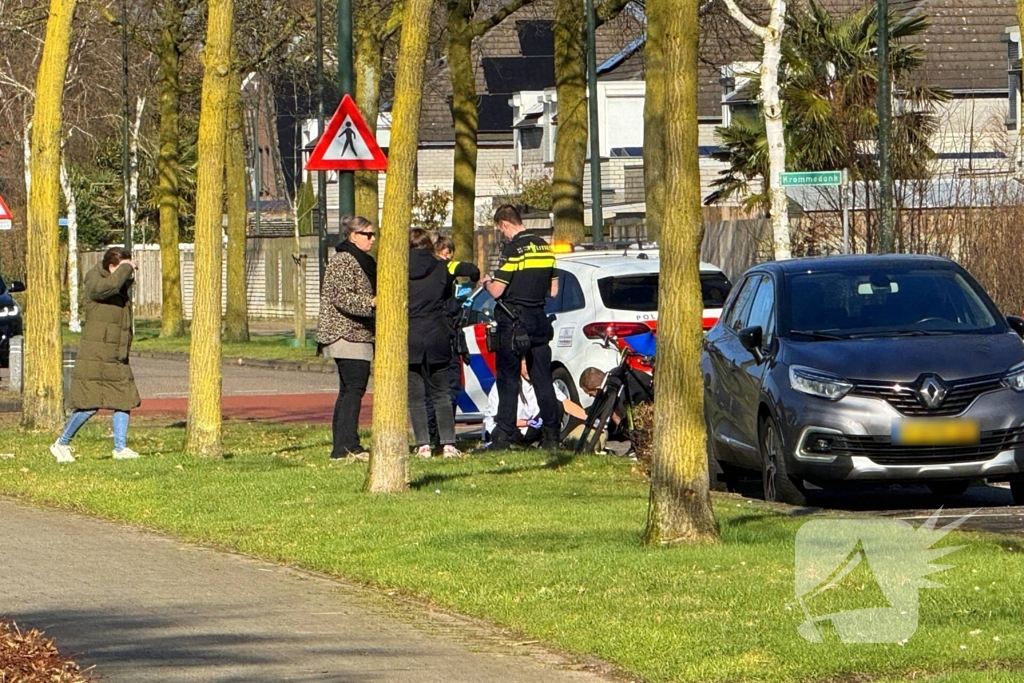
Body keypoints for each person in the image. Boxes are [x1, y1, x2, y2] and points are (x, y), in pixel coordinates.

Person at [50, 247, 141, 462]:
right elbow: (107, 288)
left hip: (115, 356)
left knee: (124, 399)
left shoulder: (120, 286)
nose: (129, 271)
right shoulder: (95, 280)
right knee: (89, 405)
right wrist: (126, 268)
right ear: (111, 267)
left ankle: (120, 448)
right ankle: (61, 443)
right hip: (96, 355)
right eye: (124, 267)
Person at [479, 204, 559, 449]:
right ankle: (552, 436)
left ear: (505, 224)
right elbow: (553, 291)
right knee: (543, 380)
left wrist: (486, 282)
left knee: (508, 379)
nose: (502, 234)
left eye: (500, 230)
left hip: (513, 322)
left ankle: (503, 436)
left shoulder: (513, 250)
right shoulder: (546, 248)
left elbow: (497, 290)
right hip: (539, 319)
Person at [316, 216, 377, 461]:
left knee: (348, 391)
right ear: (353, 235)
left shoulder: (360, 260)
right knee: (354, 389)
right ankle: (349, 446)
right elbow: (342, 297)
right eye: (367, 234)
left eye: (373, 234)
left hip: (358, 333)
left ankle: (342, 447)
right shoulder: (344, 260)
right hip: (347, 333)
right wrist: (372, 302)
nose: (372, 239)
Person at [408, 229, 461, 459]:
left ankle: (423, 445)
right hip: (437, 335)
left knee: (416, 396)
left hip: (411, 335)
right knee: (441, 392)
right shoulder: (442, 267)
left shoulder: (399, 269)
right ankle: (448, 444)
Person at [425, 234, 480, 446]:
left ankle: (432, 437)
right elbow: (472, 270)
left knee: (430, 390)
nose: (448, 257)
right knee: (449, 388)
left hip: (428, 336)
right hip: (446, 335)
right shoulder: (445, 267)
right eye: (446, 253)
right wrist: (464, 293)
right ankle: (444, 436)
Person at [481, 358, 587, 446]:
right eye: (525, 364)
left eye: (531, 365)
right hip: (505, 429)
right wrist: (527, 423)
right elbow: (498, 419)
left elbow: (565, 403)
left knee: (556, 405)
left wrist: (589, 419)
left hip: (528, 429)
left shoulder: (541, 381)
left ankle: (547, 443)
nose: (529, 368)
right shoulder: (505, 384)